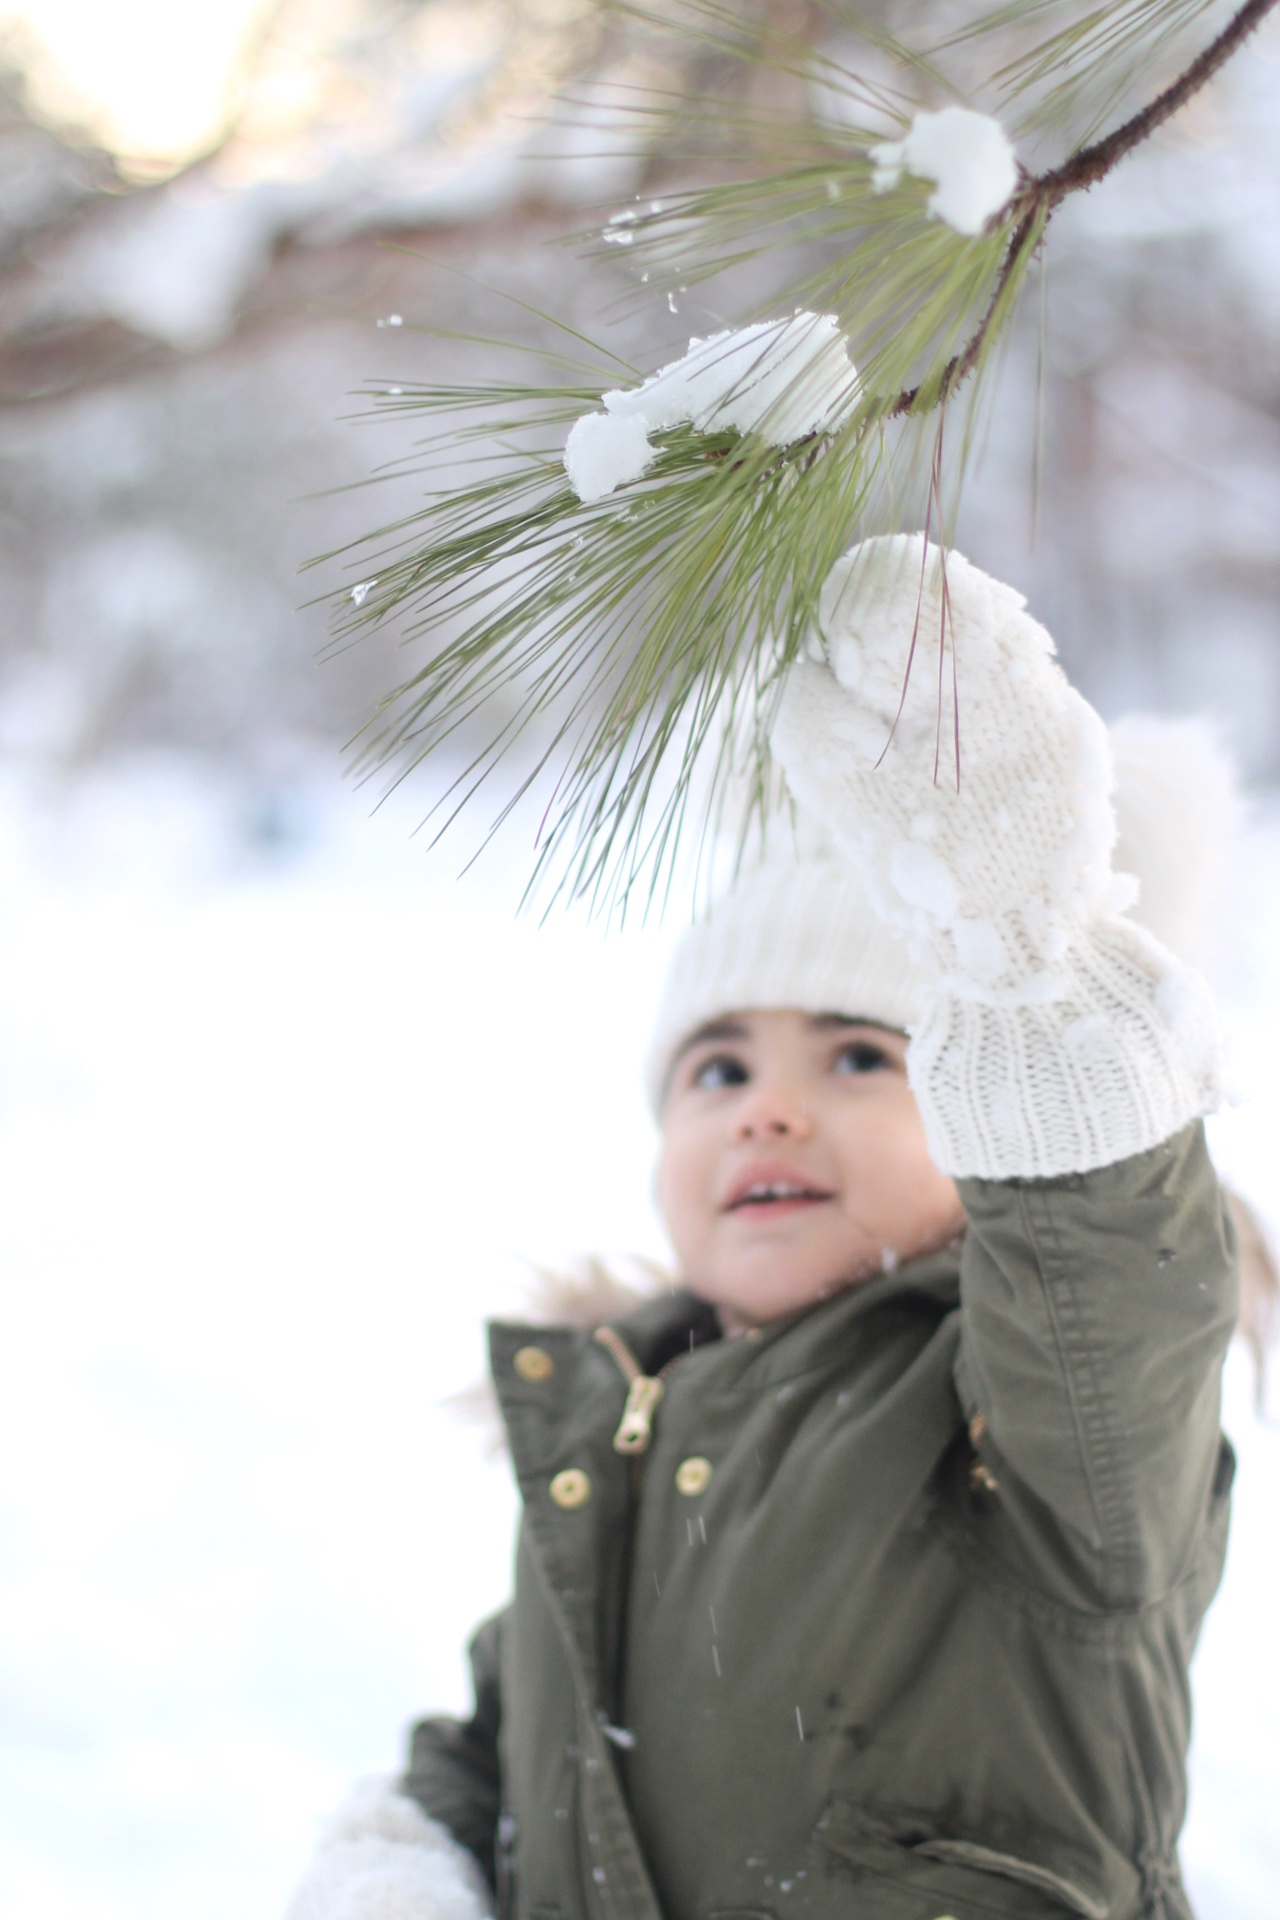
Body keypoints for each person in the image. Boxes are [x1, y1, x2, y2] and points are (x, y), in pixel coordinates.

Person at [286, 536, 1250, 1920]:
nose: (767, 1113)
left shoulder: (1055, 1424)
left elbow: (1101, 1259)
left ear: (994, 1114)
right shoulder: (614, 1419)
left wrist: (1026, 965)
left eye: (861, 1057)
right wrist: (404, 1856)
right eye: (718, 1069)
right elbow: (508, 1733)